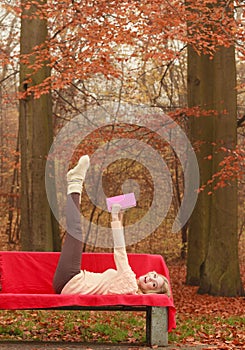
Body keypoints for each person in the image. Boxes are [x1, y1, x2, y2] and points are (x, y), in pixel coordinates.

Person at [53, 155, 170, 296]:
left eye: (153, 284)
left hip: (71, 282)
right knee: (75, 230)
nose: (151, 278)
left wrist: (115, 217)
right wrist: (117, 222)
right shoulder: (129, 285)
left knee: (75, 231)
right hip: (71, 281)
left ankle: (75, 181)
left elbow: (120, 253)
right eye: (155, 276)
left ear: (151, 292)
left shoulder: (130, 283)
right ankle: (74, 181)